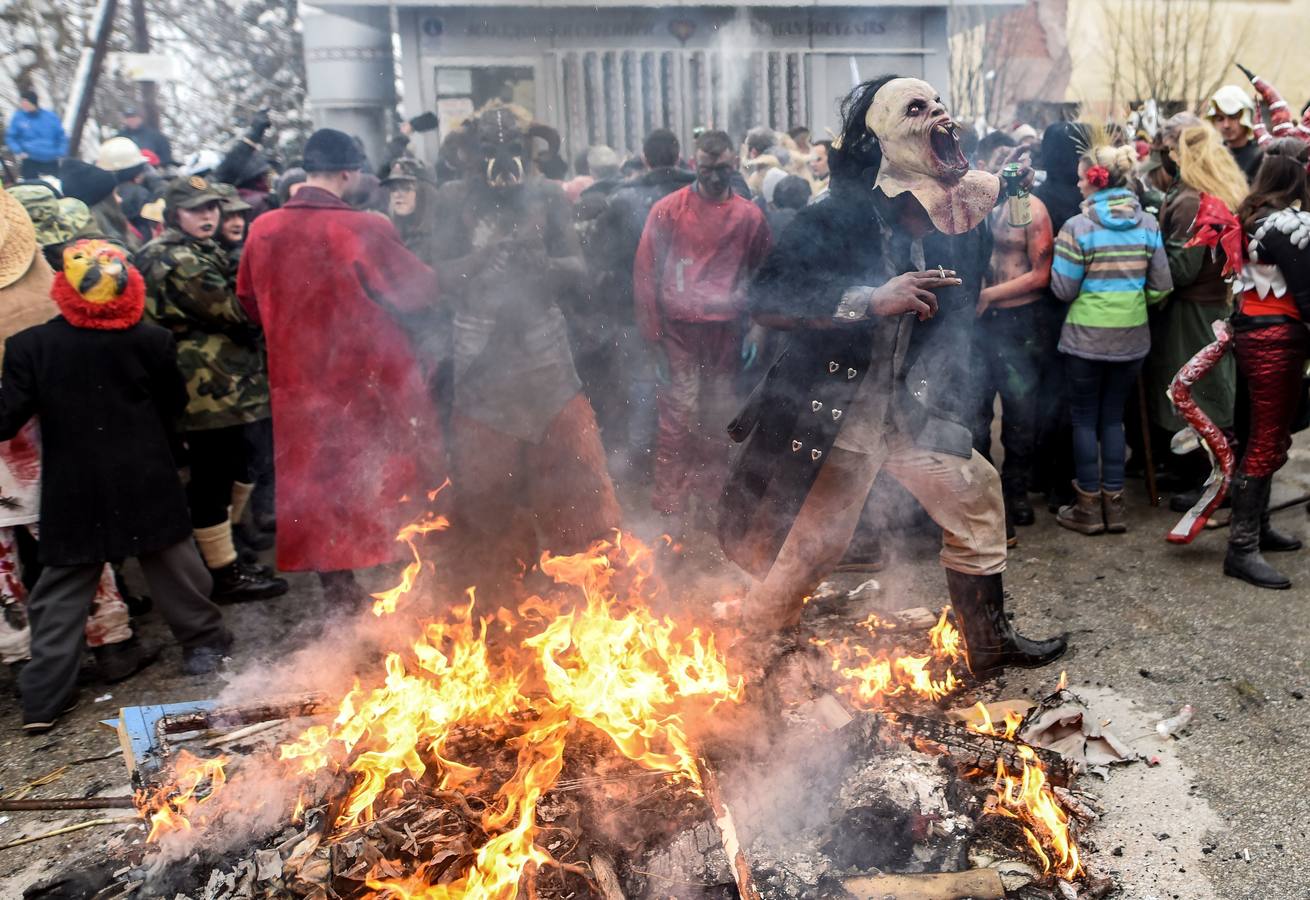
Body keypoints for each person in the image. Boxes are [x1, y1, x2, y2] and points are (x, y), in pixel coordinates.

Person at [719, 76, 1064, 681]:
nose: (932, 216)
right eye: (919, 200)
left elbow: (961, 328)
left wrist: (952, 400)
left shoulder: (959, 225)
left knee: (979, 496)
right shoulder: (828, 222)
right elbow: (766, 300)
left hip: (911, 410)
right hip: (837, 409)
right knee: (817, 545)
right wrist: (868, 298)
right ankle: (757, 640)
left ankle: (986, 642)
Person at [0, 239, 233, 731]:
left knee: (61, 592)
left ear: (62, 288)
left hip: (75, 488)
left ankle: (43, 700)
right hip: (145, 475)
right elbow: (174, 406)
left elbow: (7, 418)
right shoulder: (152, 340)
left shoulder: (29, 347)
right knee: (177, 571)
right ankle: (204, 647)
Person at [237, 128, 445, 608]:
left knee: (314, 483)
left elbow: (248, 298)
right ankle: (402, 582)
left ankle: (339, 590)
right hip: (365, 381)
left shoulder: (263, 229)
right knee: (381, 473)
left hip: (294, 382)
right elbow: (416, 292)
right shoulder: (363, 228)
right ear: (349, 172)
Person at [428, 108, 620, 591]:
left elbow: (577, 268)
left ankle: (587, 578)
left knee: (577, 478)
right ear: (471, 157)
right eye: (490, 152)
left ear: (528, 152)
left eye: (511, 150)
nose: (502, 163)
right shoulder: (452, 199)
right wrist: (481, 259)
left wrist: (542, 263)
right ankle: (494, 588)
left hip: (545, 359)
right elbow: (437, 275)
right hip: (480, 366)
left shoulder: (548, 195)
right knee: (484, 490)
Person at [136, 176, 286, 601]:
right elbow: (237, 310)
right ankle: (222, 572)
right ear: (173, 214)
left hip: (225, 387)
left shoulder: (194, 251)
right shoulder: (178, 258)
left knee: (237, 469)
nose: (208, 216)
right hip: (206, 392)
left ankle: (226, 554)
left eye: (212, 208)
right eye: (196, 209)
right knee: (213, 479)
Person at [634, 129, 772, 528]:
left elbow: (766, 276)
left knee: (718, 417)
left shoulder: (750, 216)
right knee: (678, 419)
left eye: (723, 168)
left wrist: (758, 329)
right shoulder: (667, 210)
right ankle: (670, 505)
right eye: (708, 168)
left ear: (735, 165)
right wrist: (653, 339)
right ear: (694, 165)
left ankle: (712, 501)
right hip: (679, 331)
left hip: (726, 331)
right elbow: (646, 274)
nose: (715, 177)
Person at [1050, 143, 1172, 534]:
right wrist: (1136, 300)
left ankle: (1088, 507)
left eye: (1081, 175)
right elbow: (1162, 286)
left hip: (1085, 339)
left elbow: (1064, 290)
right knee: (1113, 419)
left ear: (1094, 180)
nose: (1076, 182)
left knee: (1084, 419)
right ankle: (1115, 507)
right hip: (1131, 338)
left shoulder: (1077, 227)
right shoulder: (1148, 224)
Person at [1207, 139, 1310, 588]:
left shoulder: (1246, 216)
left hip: (1252, 335)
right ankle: (1242, 547)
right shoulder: (1286, 224)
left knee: (1254, 432)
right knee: (1266, 438)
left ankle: (1256, 530)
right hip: (1276, 340)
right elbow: (1307, 295)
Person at [1143, 118, 1246, 504]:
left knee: (1194, 393)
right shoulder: (1205, 189)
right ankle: (1197, 474)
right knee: (1201, 390)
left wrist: (1150, 256)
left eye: (1168, 151)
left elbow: (1182, 269)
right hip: (1210, 308)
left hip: (1194, 314)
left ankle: (1209, 480)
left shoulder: (1190, 199)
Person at [587, 130, 695, 474]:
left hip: (635, 308)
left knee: (642, 384)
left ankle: (640, 460)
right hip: (693, 307)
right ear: (678, 155)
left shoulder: (622, 199)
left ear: (645, 158)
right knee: (692, 384)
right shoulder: (699, 193)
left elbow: (603, 259)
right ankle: (684, 461)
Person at [972, 144, 1054, 536]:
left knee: (1021, 412)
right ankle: (987, 495)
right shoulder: (981, 208)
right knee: (978, 411)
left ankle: (1016, 491)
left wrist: (989, 295)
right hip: (984, 325)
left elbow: (1041, 275)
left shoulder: (1033, 210)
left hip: (1021, 320)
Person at [1032, 121, 1091, 513]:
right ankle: (1061, 483)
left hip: (1040, 307)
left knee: (1044, 393)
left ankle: (1040, 474)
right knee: (1070, 397)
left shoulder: (1034, 199)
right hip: (1081, 307)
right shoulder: (1086, 201)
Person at [1205, 85, 1263, 183]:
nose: (1226, 125)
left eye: (1233, 117)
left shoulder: (1261, 158)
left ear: (1245, 117)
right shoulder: (1210, 155)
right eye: (1220, 119)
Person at [5, 90, 67, 180]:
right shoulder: (19, 117)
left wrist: (61, 152)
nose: (22, 104)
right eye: (21, 102)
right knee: (31, 188)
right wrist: (18, 151)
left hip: (51, 160)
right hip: (30, 160)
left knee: (52, 187)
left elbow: (61, 136)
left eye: (25, 102)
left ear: (32, 102)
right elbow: (11, 137)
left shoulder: (50, 117)